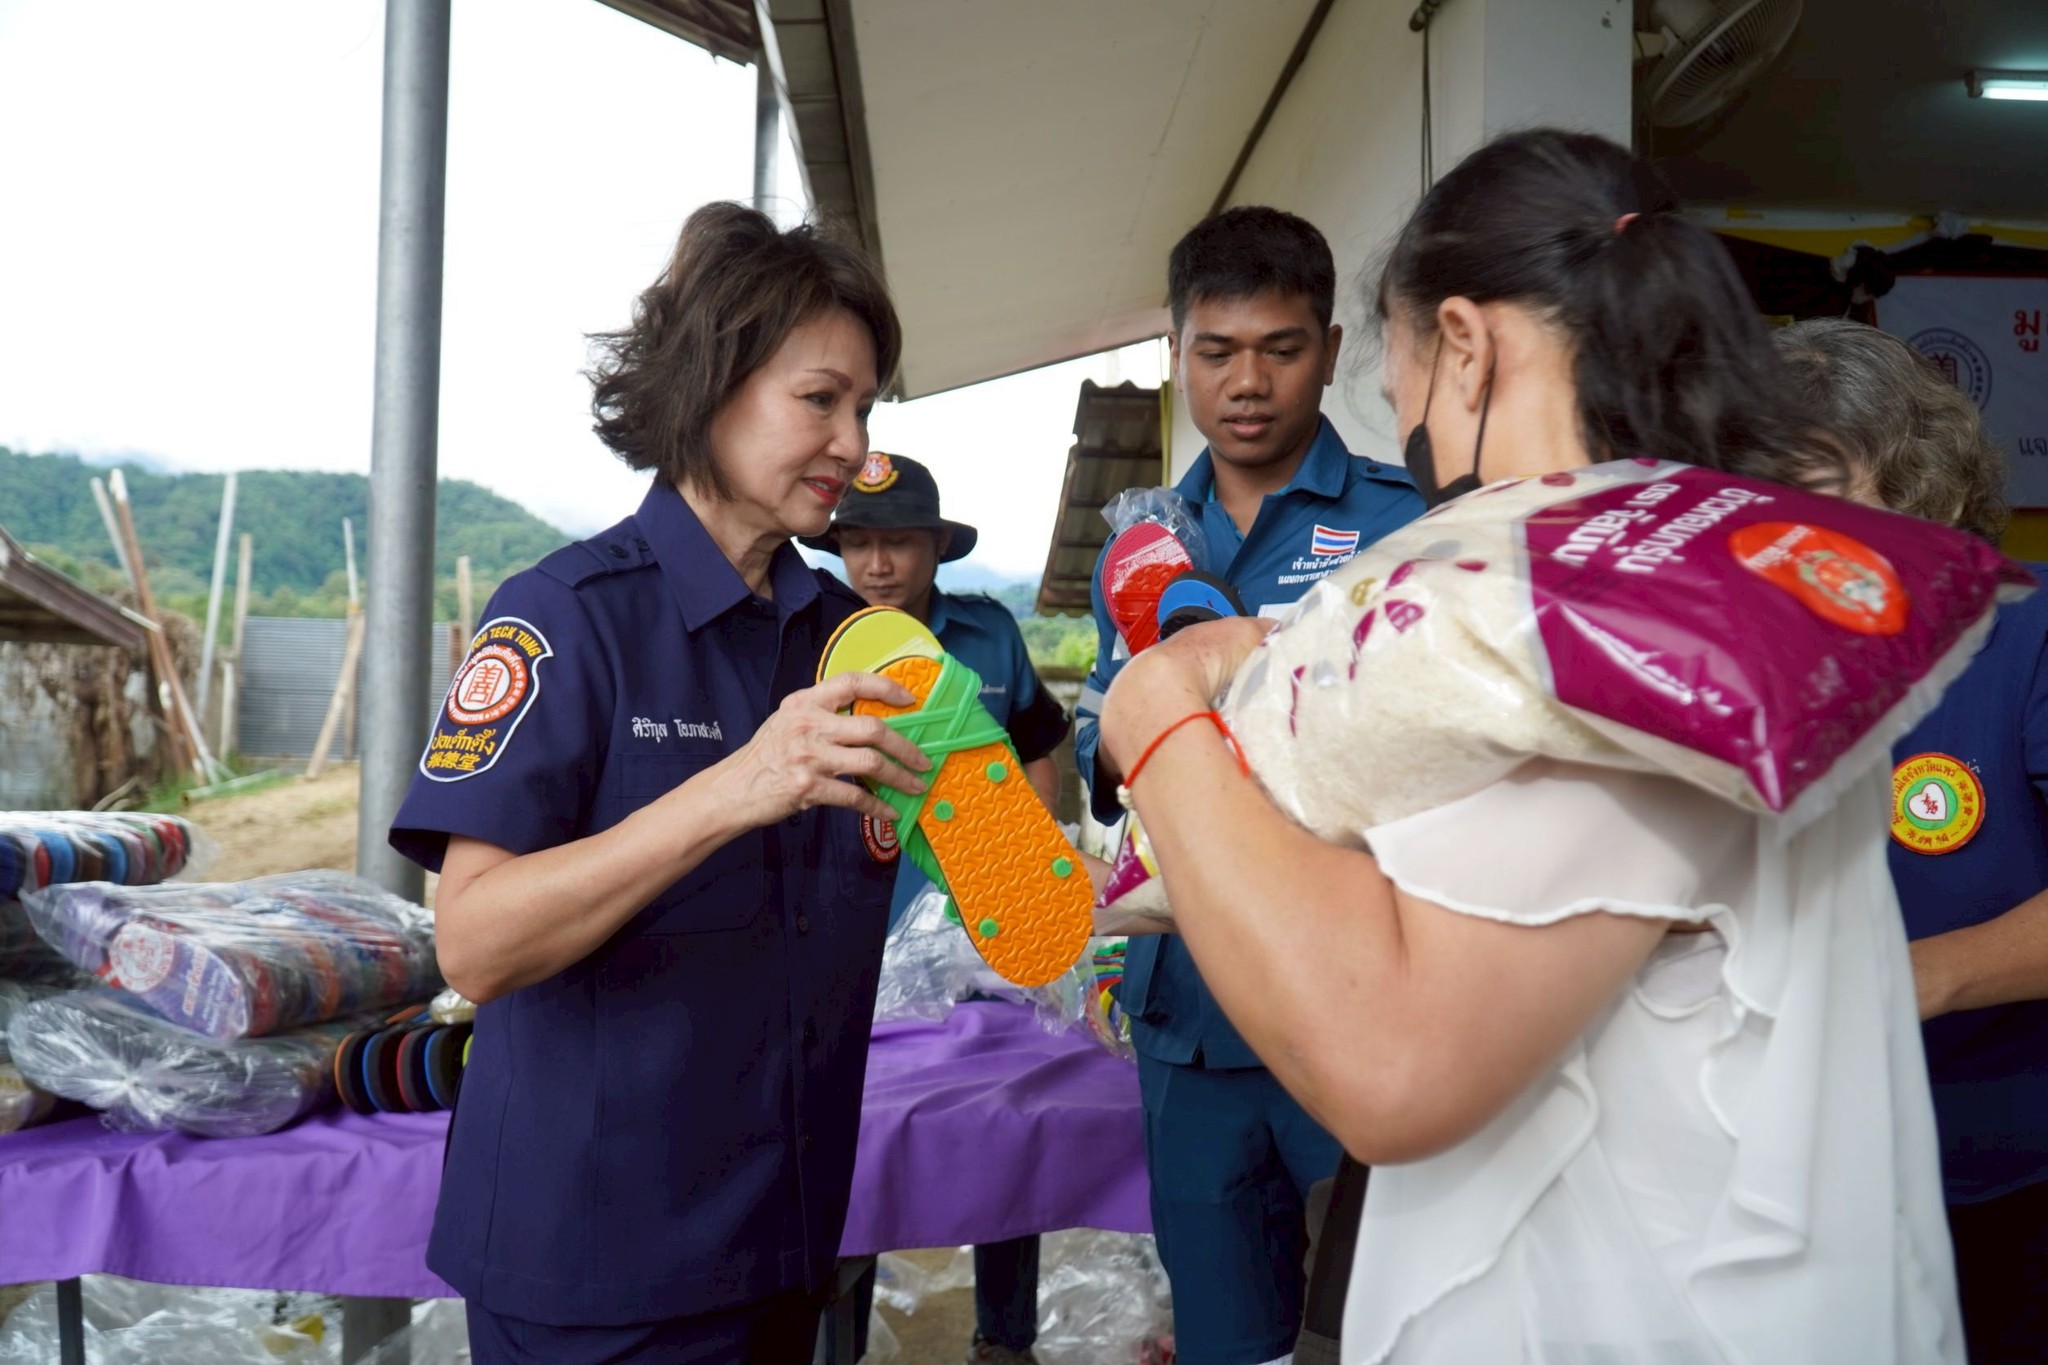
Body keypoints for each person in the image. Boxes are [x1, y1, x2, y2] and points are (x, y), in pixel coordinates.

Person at [1094, 131, 1962, 1362]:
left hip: (1634, 1313)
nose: (1398, 410)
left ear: (1462, 344)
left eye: (1391, 367)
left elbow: (1395, 1066)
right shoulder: (1703, 562)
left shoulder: (1595, 613)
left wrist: (1160, 723)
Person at [387, 203, 928, 1363]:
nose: (853, 445)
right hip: (596, 1272)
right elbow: (474, 944)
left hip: (783, 1243)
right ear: (710, 384)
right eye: (819, 400)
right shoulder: (564, 618)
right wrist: (734, 788)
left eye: (865, 408)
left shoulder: (853, 642)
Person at [1072, 205, 1423, 1365]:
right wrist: (1133, 727)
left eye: (1279, 348)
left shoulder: (1406, 523)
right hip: (1186, 1023)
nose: (1247, 382)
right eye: (1215, 351)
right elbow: (1103, 749)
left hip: (1353, 996)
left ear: (1329, 349)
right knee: (1226, 1336)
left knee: (1385, 1328)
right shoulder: (1138, 541)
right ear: (1175, 354)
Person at [1778, 317, 2048, 1365]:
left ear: (1915, 483)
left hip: (1999, 1167)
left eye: (1816, 492)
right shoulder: (1740, 666)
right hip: (1792, 1175)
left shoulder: (2022, 632)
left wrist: (1908, 979)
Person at [805, 452, 1068, 1364]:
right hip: (856, 941)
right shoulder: (816, 642)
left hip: (981, 940)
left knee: (1009, 1128)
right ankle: (839, 1340)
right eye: (859, 543)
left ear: (936, 547)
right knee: (858, 1146)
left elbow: (1038, 746)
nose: (878, 564)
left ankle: (1006, 1339)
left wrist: (1024, 857)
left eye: (900, 543)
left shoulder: (989, 635)